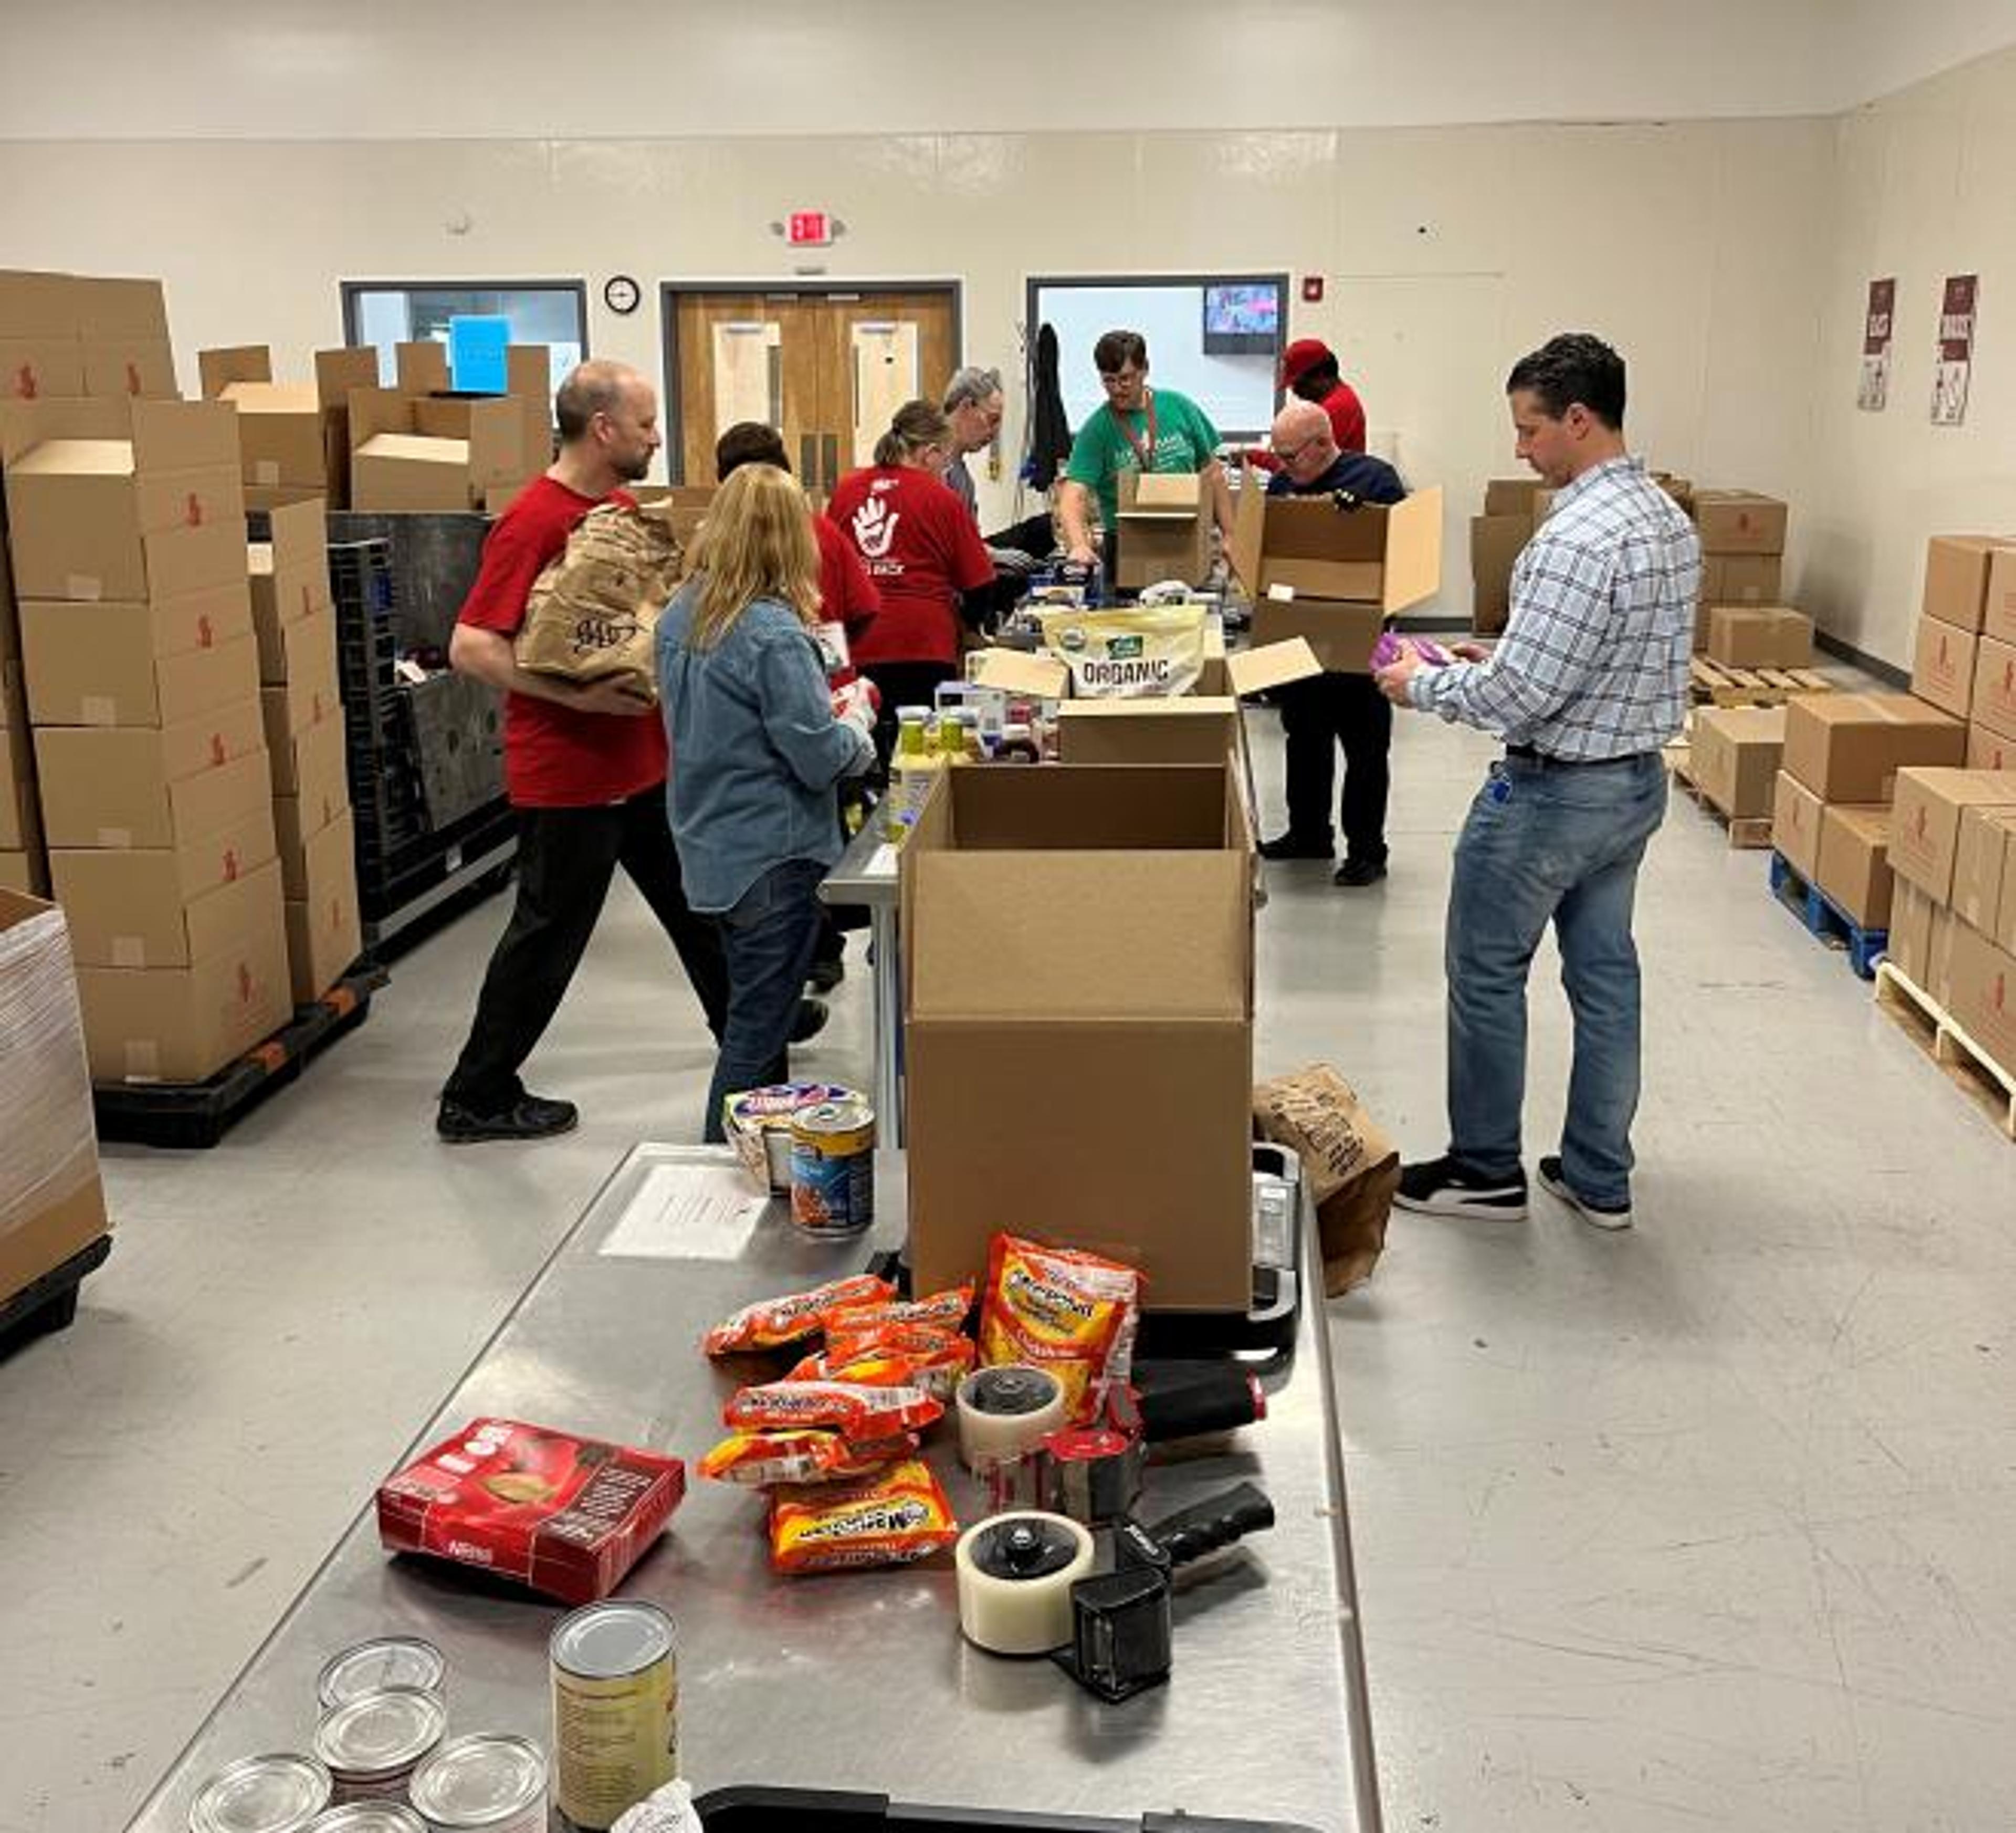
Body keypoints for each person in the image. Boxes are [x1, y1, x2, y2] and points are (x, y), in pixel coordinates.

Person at [1374, 332, 1696, 1230]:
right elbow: (1607, 656)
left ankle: (1485, 1170)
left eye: (1530, 429)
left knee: (1484, 971)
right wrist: (1503, 651)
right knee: (1606, 978)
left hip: (1552, 798)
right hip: (1631, 785)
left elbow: (1521, 693)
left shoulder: (1574, 539)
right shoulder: (1666, 520)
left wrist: (1422, 683)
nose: (1521, 448)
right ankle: (1599, 1176)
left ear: (1579, 420)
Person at [438, 360, 731, 1144]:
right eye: (645, 424)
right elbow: (472, 644)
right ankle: (477, 1093)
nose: (657, 436)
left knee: (698, 905)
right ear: (603, 429)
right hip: (572, 776)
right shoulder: (535, 519)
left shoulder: (622, 510)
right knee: (548, 935)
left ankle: (748, 1038)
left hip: (638, 766)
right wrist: (577, 698)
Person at [657, 464, 878, 1143]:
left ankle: (762, 1166)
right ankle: (715, 1174)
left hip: (709, 845)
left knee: (757, 1017)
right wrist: (857, 725)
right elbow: (816, 756)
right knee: (756, 1033)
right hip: (773, 855)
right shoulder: (775, 636)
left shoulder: (680, 615)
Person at [716, 420, 879, 993]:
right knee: (825, 826)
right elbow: (863, 608)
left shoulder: (710, 561)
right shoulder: (821, 533)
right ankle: (819, 946)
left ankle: (799, 954)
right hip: (828, 704)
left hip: (744, 770)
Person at [1257, 400, 1408, 886]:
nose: (1282, 466)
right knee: (1303, 740)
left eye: (1290, 455)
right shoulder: (1282, 488)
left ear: (1323, 444)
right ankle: (1308, 833)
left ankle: (1367, 850)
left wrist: (1360, 517)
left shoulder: (1375, 481)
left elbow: (1401, 553)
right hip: (1300, 638)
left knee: (1365, 749)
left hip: (1359, 643)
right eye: (1277, 455)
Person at [826, 399, 994, 766]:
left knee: (863, 761)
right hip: (924, 648)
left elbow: (826, 574)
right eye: (945, 459)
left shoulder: (845, 493)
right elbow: (979, 584)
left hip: (858, 648)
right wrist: (969, 628)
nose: (945, 468)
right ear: (930, 452)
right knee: (922, 761)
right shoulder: (943, 500)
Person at [1058, 330, 1235, 579]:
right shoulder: (1097, 429)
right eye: (1109, 381)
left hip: (1185, 535)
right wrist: (1078, 545)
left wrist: (1230, 534)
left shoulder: (1179, 407)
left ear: (1145, 369)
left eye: (1125, 379)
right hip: (1126, 546)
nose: (1117, 389)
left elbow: (1213, 473)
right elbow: (1073, 494)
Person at [1278, 338, 1368, 455]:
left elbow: (1304, 464)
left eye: (1298, 384)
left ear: (1321, 375)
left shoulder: (1335, 408)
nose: (1295, 392)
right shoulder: (1340, 397)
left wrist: (1258, 457)